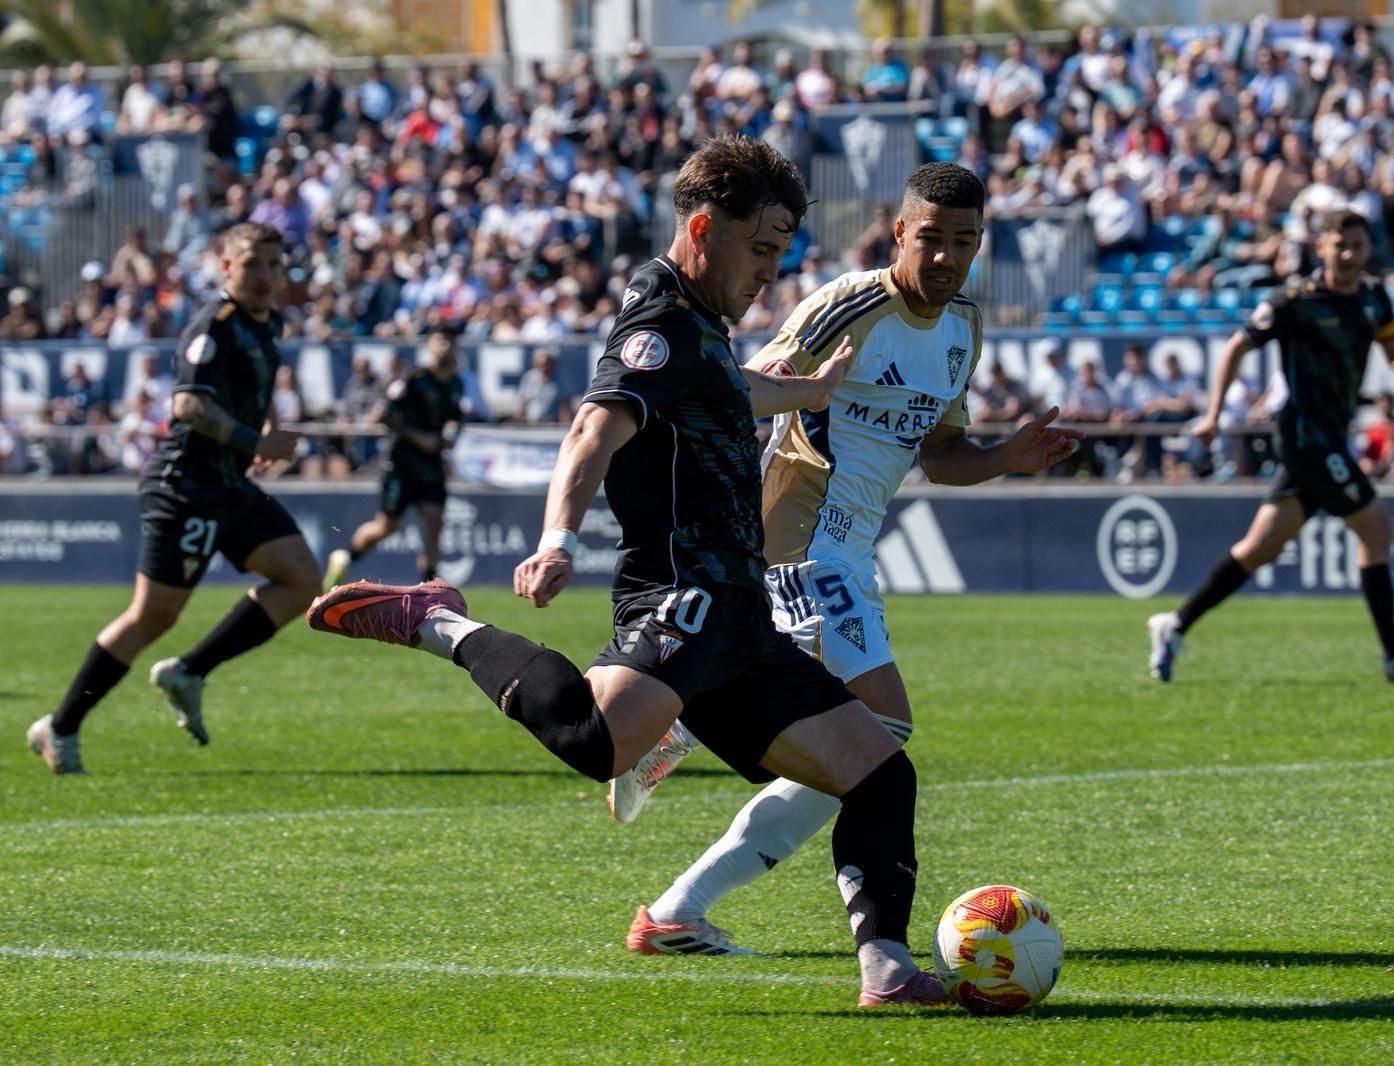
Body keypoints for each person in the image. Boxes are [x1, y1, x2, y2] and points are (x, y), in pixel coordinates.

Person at [305, 137, 948, 1008]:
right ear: (701, 228)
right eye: (760, 248)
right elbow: (594, 429)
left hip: (742, 624)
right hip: (680, 594)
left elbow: (727, 388)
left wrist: (807, 394)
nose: (771, 269)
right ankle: (435, 621)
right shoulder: (657, 324)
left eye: (781, 250)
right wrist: (557, 535)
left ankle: (887, 967)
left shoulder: (705, 329)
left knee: (879, 766)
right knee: (596, 741)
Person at [608, 163, 1079, 957]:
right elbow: (738, 384)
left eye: (964, 242)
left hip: (850, 554)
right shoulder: (852, 306)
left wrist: (1008, 459)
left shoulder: (963, 325)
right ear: (900, 232)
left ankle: (678, 734)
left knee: (869, 734)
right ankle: (680, 888)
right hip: (795, 541)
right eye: (930, 237)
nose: (945, 257)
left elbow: (942, 456)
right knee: (879, 727)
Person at [27, 223, 321, 774]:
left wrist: (259, 437)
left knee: (303, 580)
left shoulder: (269, 323)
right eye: (252, 264)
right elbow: (187, 406)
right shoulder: (214, 325)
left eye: (272, 266)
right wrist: (254, 440)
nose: (263, 276)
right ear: (226, 268)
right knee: (151, 618)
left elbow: (252, 393)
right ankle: (59, 727)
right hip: (184, 486)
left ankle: (188, 671)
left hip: (229, 485)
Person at [1145, 211, 1394, 684]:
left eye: (1358, 244)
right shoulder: (1294, 301)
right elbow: (1236, 347)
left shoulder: (1373, 298)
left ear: (1369, 248)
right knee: (1376, 528)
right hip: (1307, 437)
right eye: (1340, 244)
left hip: (1330, 433)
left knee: (1259, 548)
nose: (1349, 254)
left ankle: (1175, 624)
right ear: (1322, 247)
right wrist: (1212, 415)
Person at [324, 329, 464, 587]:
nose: (446, 344)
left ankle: (428, 590)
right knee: (386, 527)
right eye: (440, 339)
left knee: (435, 522)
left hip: (431, 465)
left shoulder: (455, 383)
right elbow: (383, 414)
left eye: (450, 340)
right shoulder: (414, 378)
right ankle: (344, 556)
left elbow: (456, 418)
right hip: (401, 464)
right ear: (430, 347)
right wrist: (420, 437)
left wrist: (451, 434)